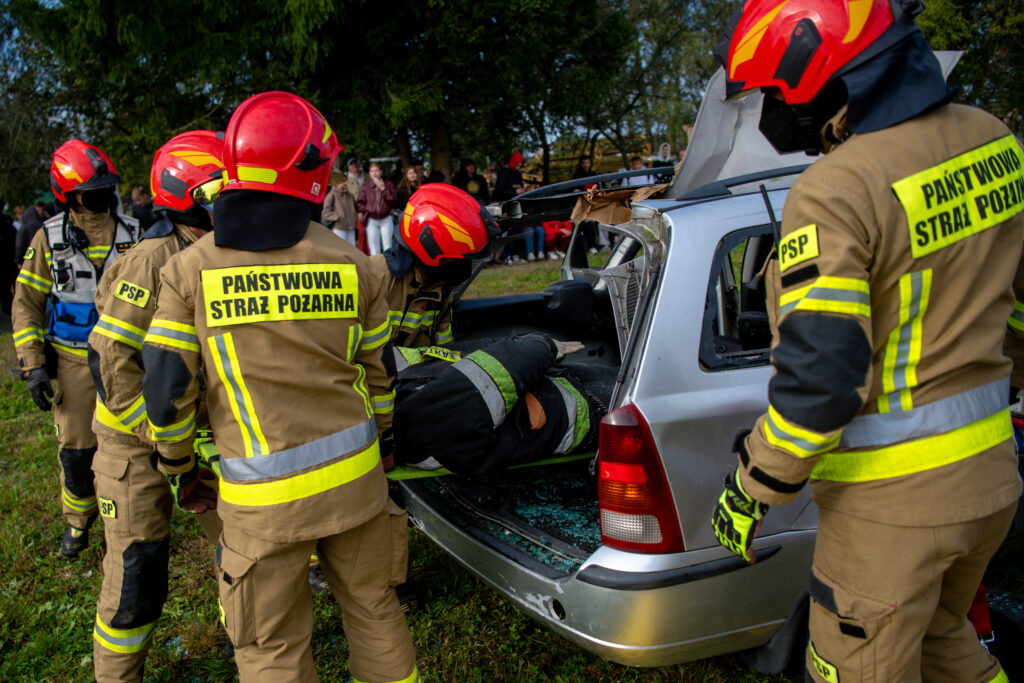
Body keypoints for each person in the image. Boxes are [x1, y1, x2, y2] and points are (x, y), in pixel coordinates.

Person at [711, 3, 1023, 682]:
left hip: (891, 508)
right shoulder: (993, 138)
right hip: (994, 477)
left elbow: (821, 381)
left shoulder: (836, 188)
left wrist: (752, 483)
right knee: (943, 638)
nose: (769, 110)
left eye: (771, 92)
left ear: (816, 71)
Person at [140, 91, 417, 683]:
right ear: (313, 174)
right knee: (374, 611)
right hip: (357, 488)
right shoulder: (356, 265)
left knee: (271, 647)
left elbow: (167, 391)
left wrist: (180, 467)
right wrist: (387, 442)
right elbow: (380, 376)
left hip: (259, 509)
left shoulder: (189, 271)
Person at [88, 130, 224, 683]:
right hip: (136, 444)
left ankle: (251, 647)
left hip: (204, 436)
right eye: (221, 191)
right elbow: (113, 366)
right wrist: (169, 443)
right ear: (187, 194)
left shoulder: (220, 253)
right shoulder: (150, 260)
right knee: (137, 577)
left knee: (245, 556)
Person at [12, 140, 141, 557]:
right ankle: (78, 522)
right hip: (71, 360)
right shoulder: (47, 239)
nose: (104, 195)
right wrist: (33, 365)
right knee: (77, 447)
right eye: (93, 189)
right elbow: (26, 304)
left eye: (107, 186)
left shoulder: (135, 234)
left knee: (129, 447)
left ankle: (127, 518)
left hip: (127, 360)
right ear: (67, 195)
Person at [392, 334, 611, 476]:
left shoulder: (383, 384)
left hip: (549, 381)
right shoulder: (421, 424)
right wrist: (540, 344)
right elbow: (493, 375)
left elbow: (456, 354)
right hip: (579, 409)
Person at [372, 183, 496, 350]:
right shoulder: (374, 278)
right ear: (430, 248)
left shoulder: (442, 291)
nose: (465, 268)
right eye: (459, 260)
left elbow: (444, 353)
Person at [357, 161, 398, 256]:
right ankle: (376, 268)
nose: (375, 173)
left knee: (388, 246)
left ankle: (389, 267)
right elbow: (359, 204)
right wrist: (369, 209)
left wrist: (383, 189)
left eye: (377, 170)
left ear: (381, 172)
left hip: (386, 218)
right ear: (369, 173)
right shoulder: (366, 187)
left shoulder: (388, 184)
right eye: (372, 171)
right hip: (372, 219)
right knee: (373, 248)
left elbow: (393, 201)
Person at [322, 174, 359, 246]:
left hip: (351, 228)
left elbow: (355, 209)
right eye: (342, 181)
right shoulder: (331, 195)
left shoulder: (350, 195)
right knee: (340, 248)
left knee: (352, 249)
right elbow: (325, 213)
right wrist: (337, 217)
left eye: (345, 181)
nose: (345, 183)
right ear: (336, 183)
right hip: (338, 228)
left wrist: (354, 218)